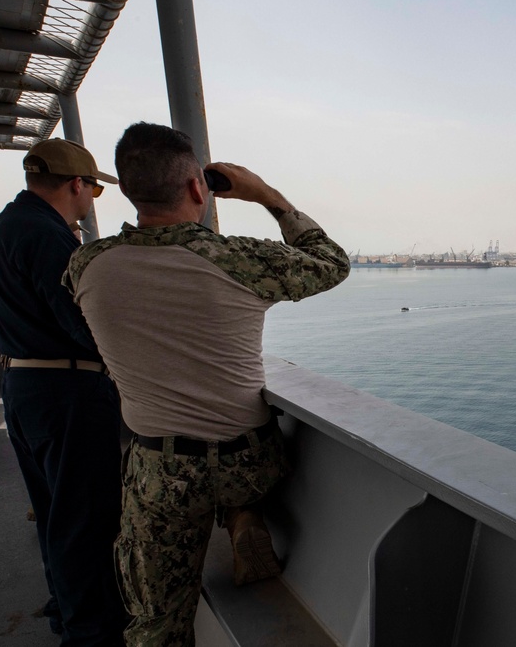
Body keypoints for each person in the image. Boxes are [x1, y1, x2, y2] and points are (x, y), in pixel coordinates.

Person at [63, 122, 350, 646]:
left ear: (126, 189)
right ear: (200, 188)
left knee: (156, 619)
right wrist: (265, 195)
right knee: (234, 466)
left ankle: (224, 528)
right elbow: (332, 263)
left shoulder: (86, 265)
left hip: (160, 469)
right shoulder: (241, 260)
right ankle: (242, 512)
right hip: (250, 461)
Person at [0, 138, 127, 646]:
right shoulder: (47, 236)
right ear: (77, 185)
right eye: (94, 191)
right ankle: (91, 633)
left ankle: (66, 607)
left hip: (22, 386)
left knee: (53, 511)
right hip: (66, 393)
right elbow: (83, 324)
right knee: (84, 518)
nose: (91, 201)